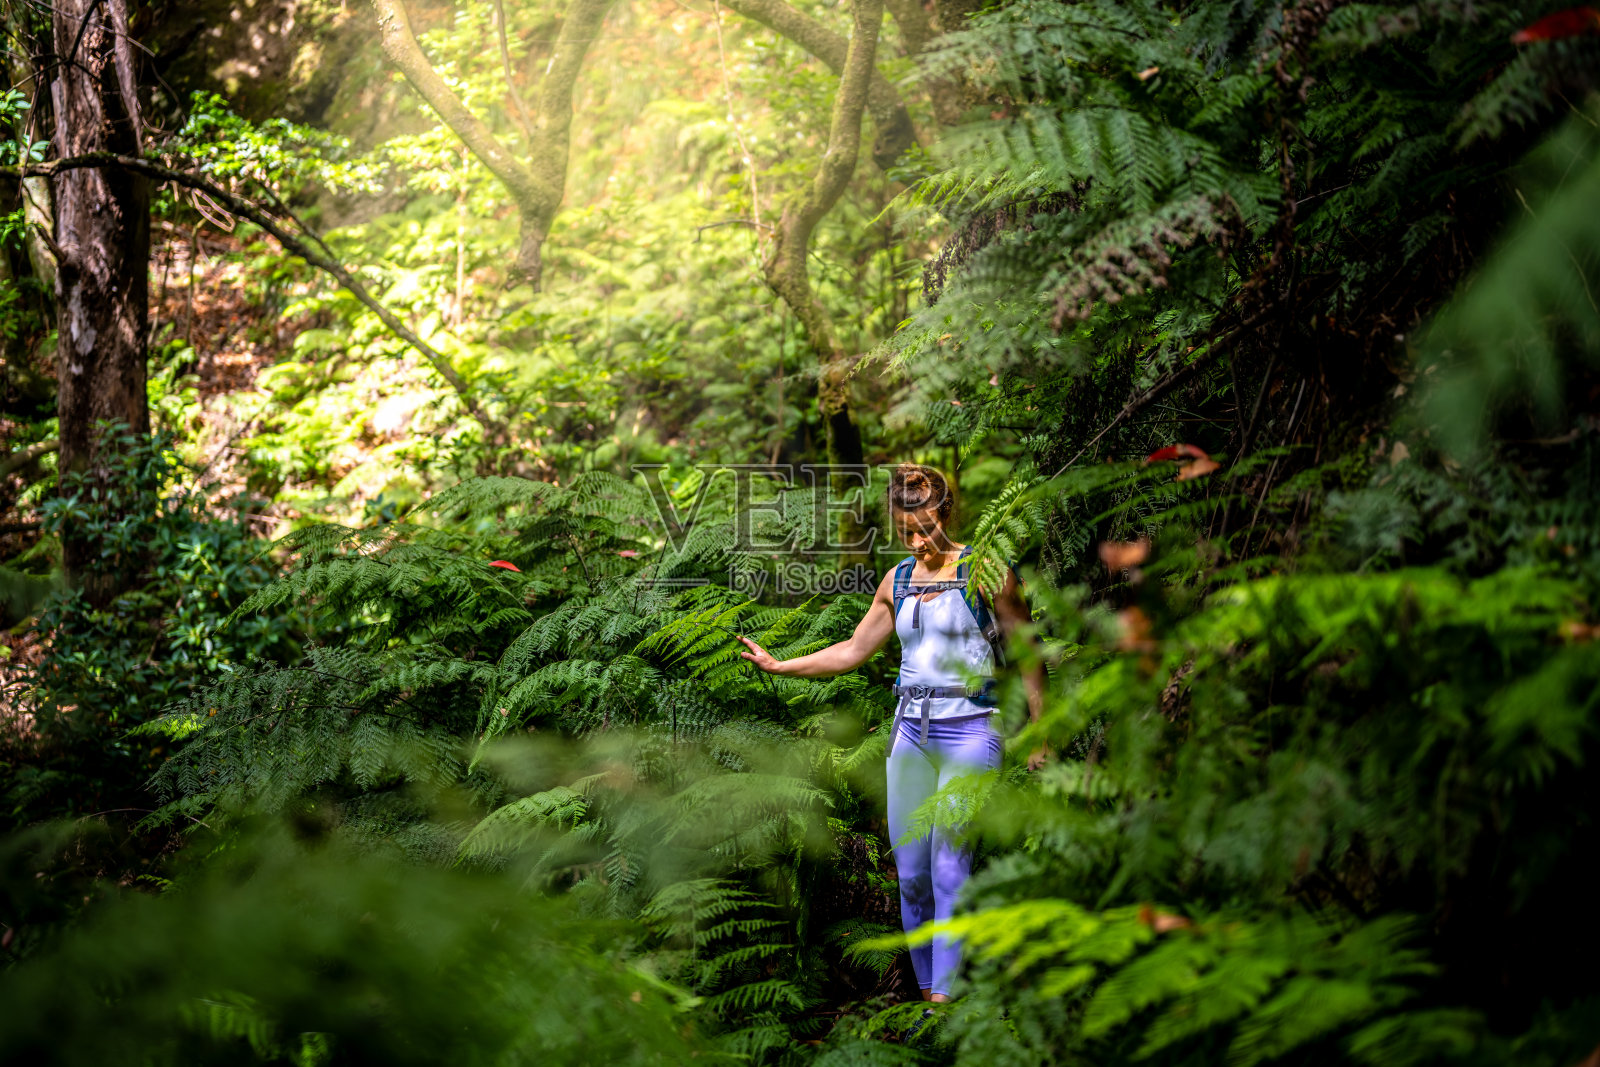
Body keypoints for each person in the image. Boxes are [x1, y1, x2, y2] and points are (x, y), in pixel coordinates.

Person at [738, 463, 1046, 1004]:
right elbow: (853, 650)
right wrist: (781, 665)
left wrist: (1043, 733)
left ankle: (942, 1003)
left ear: (946, 512)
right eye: (906, 532)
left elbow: (1027, 652)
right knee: (912, 874)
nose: (918, 541)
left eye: (926, 528)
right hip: (911, 735)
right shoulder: (898, 581)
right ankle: (926, 990)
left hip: (973, 729)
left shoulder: (986, 570)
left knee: (949, 866)